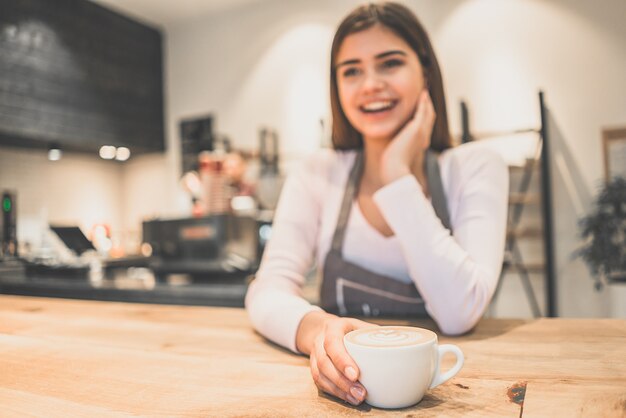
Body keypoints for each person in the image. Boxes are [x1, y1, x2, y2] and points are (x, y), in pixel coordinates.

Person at [245, 2, 508, 407]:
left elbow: (460, 311)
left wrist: (396, 174)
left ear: (425, 71)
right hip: (341, 398)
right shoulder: (318, 172)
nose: (370, 84)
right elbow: (267, 290)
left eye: (389, 64)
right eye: (351, 70)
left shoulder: (474, 167)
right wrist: (319, 332)